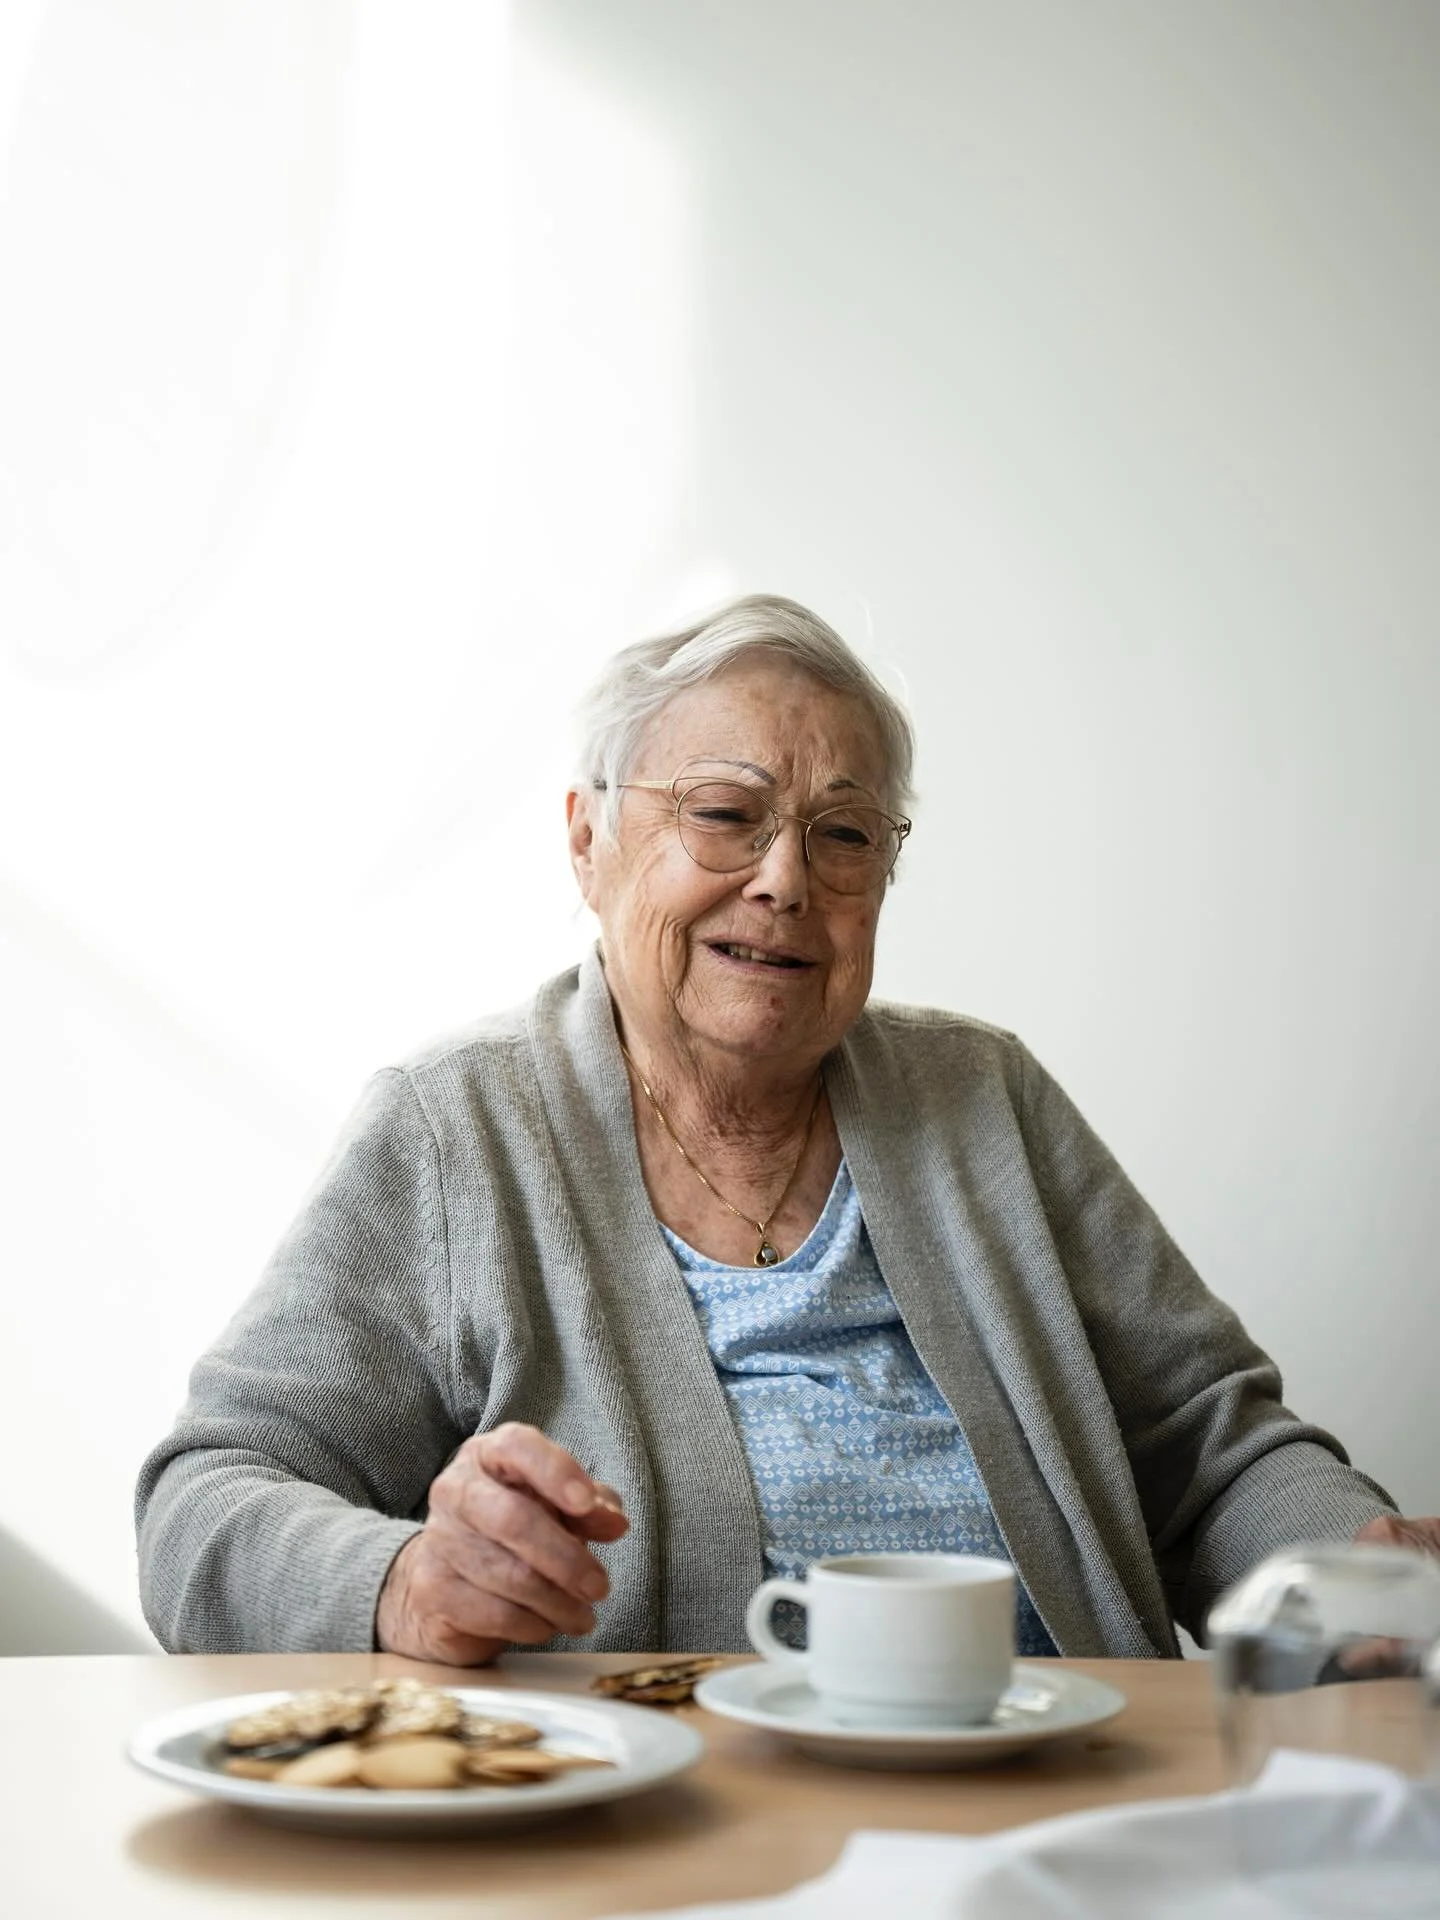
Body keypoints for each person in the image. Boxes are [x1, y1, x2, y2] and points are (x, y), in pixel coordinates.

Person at [135, 594, 1437, 1665]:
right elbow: (204, 1500)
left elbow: (1211, 1452)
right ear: (588, 840)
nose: (784, 880)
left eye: (845, 834)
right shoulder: (456, 1126)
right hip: (651, 1819)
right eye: (723, 814)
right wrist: (404, 1579)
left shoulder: (982, 1099)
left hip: (1059, 1786)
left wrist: (1348, 1571)